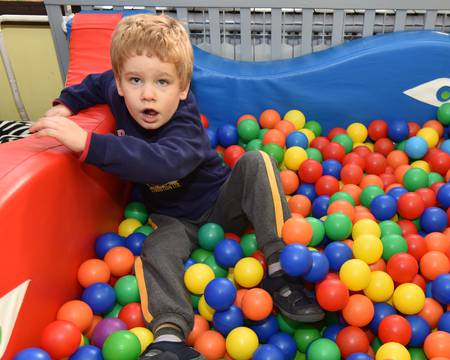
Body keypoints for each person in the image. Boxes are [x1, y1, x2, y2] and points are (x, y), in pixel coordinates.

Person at [31, 13, 323, 360]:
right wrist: (66, 105)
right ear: (121, 83)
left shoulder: (185, 123)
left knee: (256, 159)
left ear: (183, 87)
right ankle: (170, 337)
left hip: (221, 205)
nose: (148, 95)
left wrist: (89, 143)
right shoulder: (114, 87)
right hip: (173, 220)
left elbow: (159, 163)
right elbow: (95, 83)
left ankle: (280, 269)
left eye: (163, 82)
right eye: (136, 80)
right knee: (153, 251)